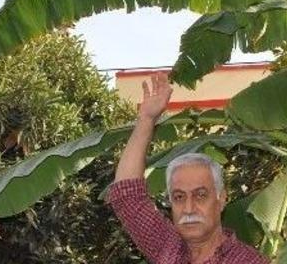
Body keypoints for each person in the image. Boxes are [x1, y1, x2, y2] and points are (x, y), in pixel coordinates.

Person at [106, 72, 269, 264]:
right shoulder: (168, 246)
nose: (189, 208)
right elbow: (127, 196)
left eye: (200, 195)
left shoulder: (247, 262)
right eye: (179, 197)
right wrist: (146, 120)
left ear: (221, 199)